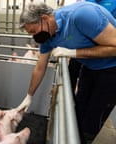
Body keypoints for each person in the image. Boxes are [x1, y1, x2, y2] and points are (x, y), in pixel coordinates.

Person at [17, 1, 116, 143]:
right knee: (78, 110)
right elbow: (40, 66)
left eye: (33, 31)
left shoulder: (81, 16)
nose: (34, 37)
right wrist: (29, 96)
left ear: (45, 19)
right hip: (89, 67)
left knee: (93, 118)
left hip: (112, 70)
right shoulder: (47, 34)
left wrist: (75, 52)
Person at [68, 0, 116, 99]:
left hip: (104, 55)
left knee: (99, 95)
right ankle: (69, 100)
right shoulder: (85, 2)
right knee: (71, 77)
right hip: (82, 50)